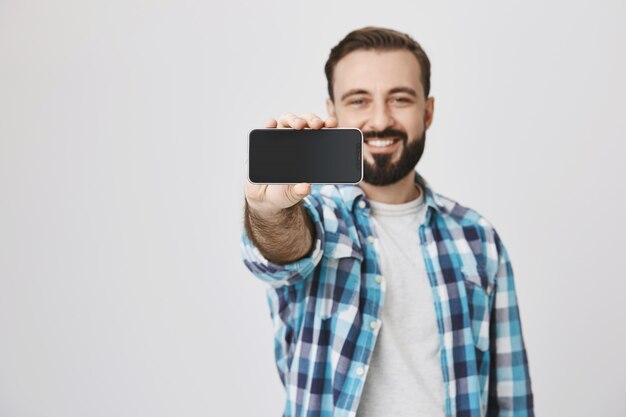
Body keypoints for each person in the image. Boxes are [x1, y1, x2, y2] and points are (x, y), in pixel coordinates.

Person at [241, 26, 534, 417]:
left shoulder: (478, 238)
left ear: (427, 111)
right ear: (333, 112)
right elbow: (281, 250)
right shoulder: (315, 214)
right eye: (359, 100)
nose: (380, 120)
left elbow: (511, 398)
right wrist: (269, 212)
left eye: (400, 98)